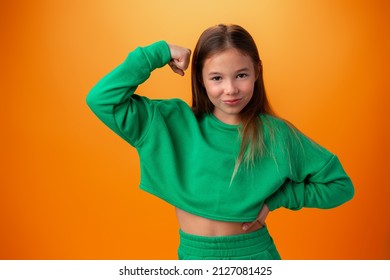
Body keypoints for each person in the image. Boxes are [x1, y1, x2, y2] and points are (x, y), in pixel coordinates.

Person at [86, 24, 354, 260]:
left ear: (257, 72)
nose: (231, 89)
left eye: (241, 75)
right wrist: (159, 52)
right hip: (193, 258)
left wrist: (280, 197)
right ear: (200, 79)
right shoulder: (168, 123)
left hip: (254, 256)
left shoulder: (277, 135)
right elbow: (101, 98)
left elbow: (340, 186)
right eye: (216, 78)